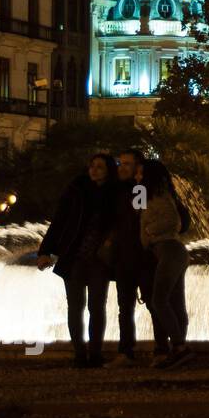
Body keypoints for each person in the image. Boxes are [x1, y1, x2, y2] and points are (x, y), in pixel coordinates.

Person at [36, 153, 119, 368]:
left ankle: (95, 353)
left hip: (100, 259)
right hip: (74, 257)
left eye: (100, 167)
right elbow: (60, 221)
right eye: (92, 166)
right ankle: (80, 354)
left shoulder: (117, 193)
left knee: (97, 306)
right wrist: (45, 251)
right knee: (75, 306)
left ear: (109, 170)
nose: (94, 170)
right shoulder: (77, 190)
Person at [137, 159, 193, 369]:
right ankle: (180, 349)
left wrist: (149, 233)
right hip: (171, 252)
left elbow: (174, 221)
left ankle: (180, 347)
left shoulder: (158, 195)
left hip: (169, 250)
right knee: (175, 303)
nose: (136, 177)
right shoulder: (150, 194)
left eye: (140, 174)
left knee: (159, 300)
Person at [106, 148, 157, 365]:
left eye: (127, 164)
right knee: (125, 307)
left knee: (152, 304)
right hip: (124, 257)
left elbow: (139, 220)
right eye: (120, 163)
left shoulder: (138, 189)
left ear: (138, 167)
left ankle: (162, 348)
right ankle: (126, 351)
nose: (122, 167)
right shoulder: (117, 190)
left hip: (141, 257)